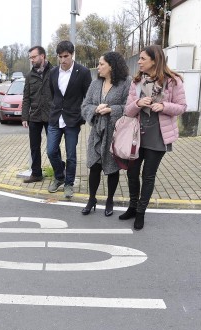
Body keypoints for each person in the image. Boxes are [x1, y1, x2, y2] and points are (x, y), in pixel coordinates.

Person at [119, 45, 187, 230]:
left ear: (154, 60)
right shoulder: (137, 82)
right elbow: (127, 110)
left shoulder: (173, 82)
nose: (139, 62)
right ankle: (132, 207)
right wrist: (138, 103)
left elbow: (181, 107)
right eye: (139, 58)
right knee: (132, 173)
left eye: (142, 58)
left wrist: (164, 106)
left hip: (158, 136)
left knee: (148, 176)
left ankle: (140, 212)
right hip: (136, 136)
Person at [81, 52, 131, 216]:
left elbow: (130, 107)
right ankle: (92, 199)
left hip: (114, 133)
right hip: (96, 132)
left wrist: (112, 110)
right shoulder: (95, 84)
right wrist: (95, 110)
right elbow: (85, 105)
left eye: (102, 64)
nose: (98, 67)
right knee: (94, 166)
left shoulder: (125, 83)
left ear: (111, 66)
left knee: (112, 168)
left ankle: (110, 199)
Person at [47, 40, 92, 199]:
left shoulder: (83, 72)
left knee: (71, 155)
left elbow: (88, 96)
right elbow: (54, 94)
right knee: (51, 151)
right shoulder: (53, 72)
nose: (63, 60)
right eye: (60, 56)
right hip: (55, 118)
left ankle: (69, 183)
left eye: (66, 56)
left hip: (72, 120)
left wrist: (83, 115)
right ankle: (59, 176)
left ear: (72, 55)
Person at [21, 46, 54, 183]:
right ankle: (36, 173)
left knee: (53, 147)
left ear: (42, 56)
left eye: (34, 57)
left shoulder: (54, 72)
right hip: (34, 116)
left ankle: (59, 172)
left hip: (51, 115)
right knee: (34, 147)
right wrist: (24, 117)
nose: (32, 60)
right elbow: (26, 97)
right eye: (30, 58)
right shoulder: (29, 76)